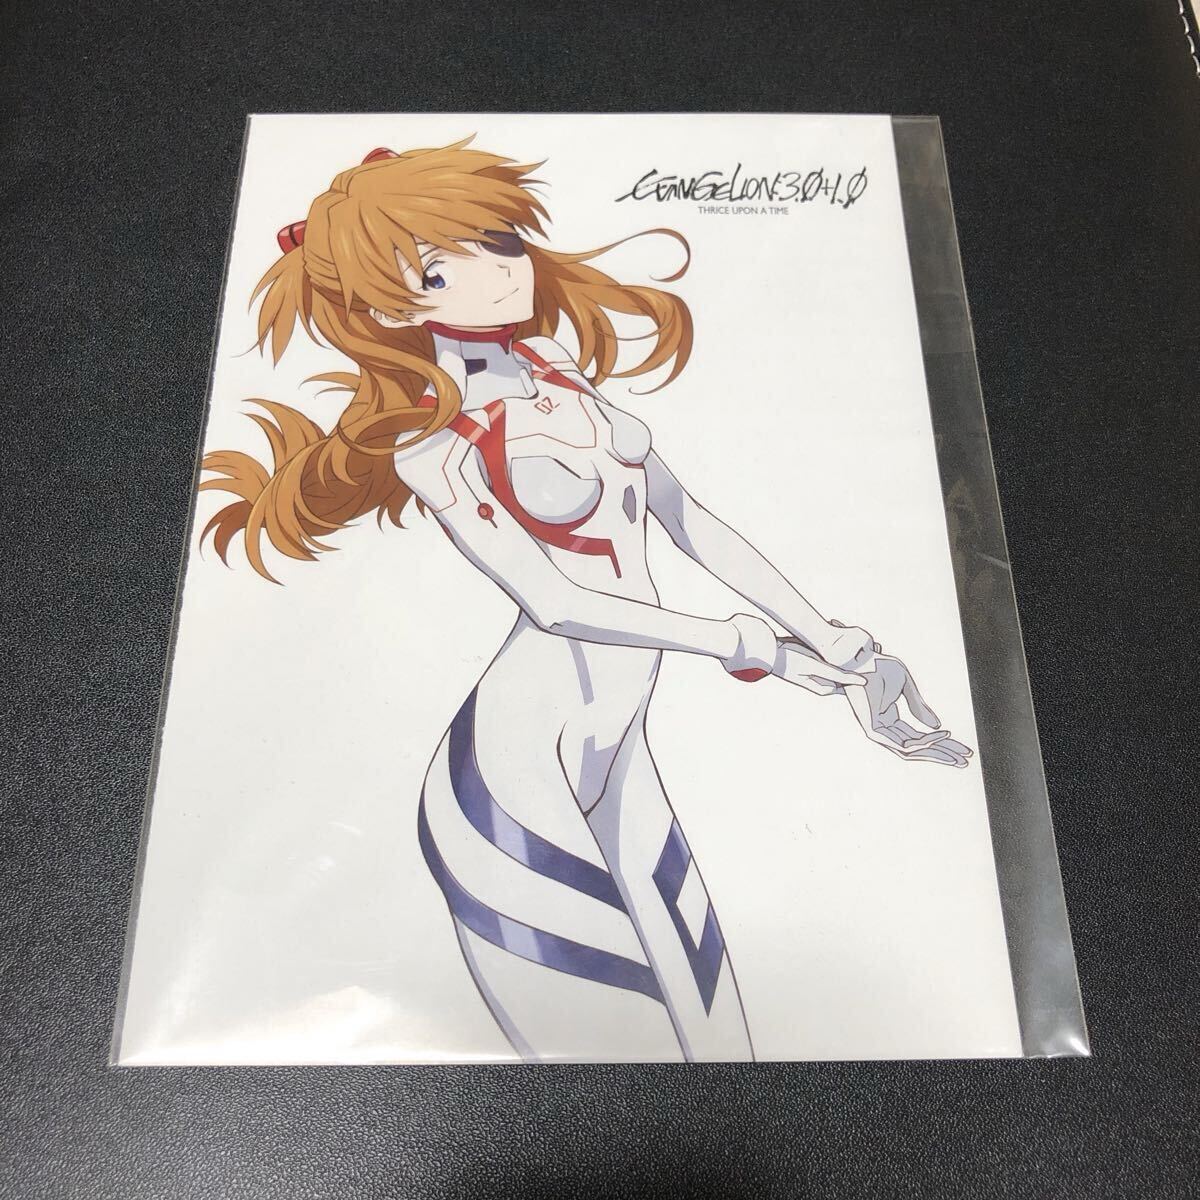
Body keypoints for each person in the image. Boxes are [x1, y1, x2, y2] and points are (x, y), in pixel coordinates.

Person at [201, 141, 971, 1062]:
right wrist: (744, 644)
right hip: (508, 782)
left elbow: (690, 522)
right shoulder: (433, 445)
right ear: (390, 307)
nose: (498, 273)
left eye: (499, 240)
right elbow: (556, 603)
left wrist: (830, 639)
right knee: (610, 1059)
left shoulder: (558, 369)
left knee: (724, 1038)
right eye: (442, 270)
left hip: (615, 748)